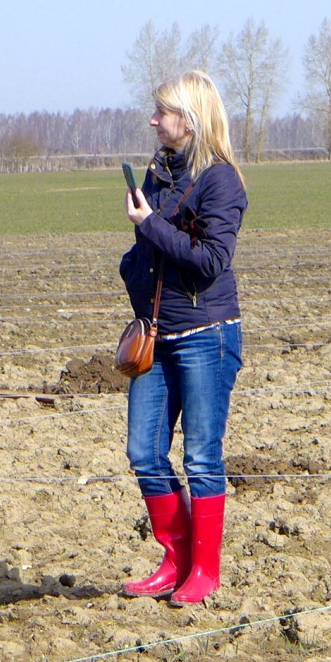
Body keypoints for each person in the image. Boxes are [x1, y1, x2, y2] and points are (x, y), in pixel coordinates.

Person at [119, 70, 247, 605]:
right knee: (144, 451)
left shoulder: (221, 181)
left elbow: (212, 260)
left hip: (206, 336)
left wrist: (149, 226)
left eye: (162, 112)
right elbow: (156, 251)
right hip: (159, 334)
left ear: (190, 120)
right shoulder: (158, 174)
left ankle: (205, 571)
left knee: (200, 459)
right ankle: (175, 560)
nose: (153, 120)